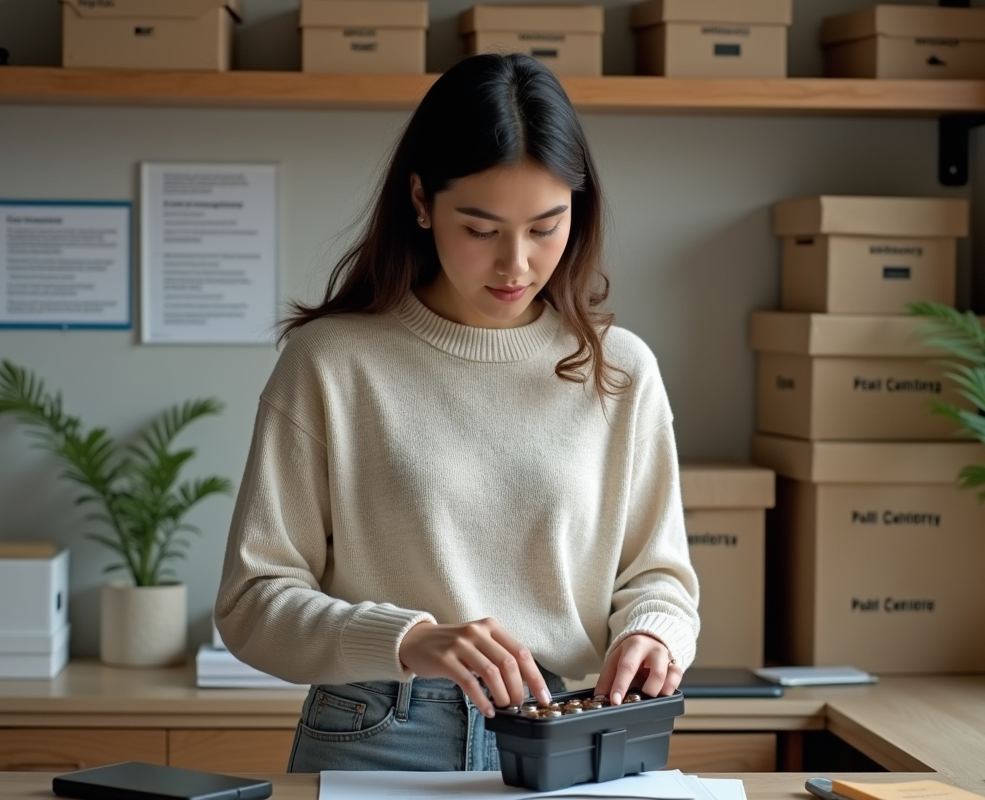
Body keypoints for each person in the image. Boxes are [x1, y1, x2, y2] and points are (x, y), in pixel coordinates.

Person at [214, 52, 700, 774]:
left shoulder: (621, 368)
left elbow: (659, 577)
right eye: (480, 229)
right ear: (420, 201)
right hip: (378, 727)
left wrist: (655, 633)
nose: (516, 264)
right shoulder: (331, 362)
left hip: (568, 726)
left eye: (546, 226)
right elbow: (253, 604)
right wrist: (408, 639)